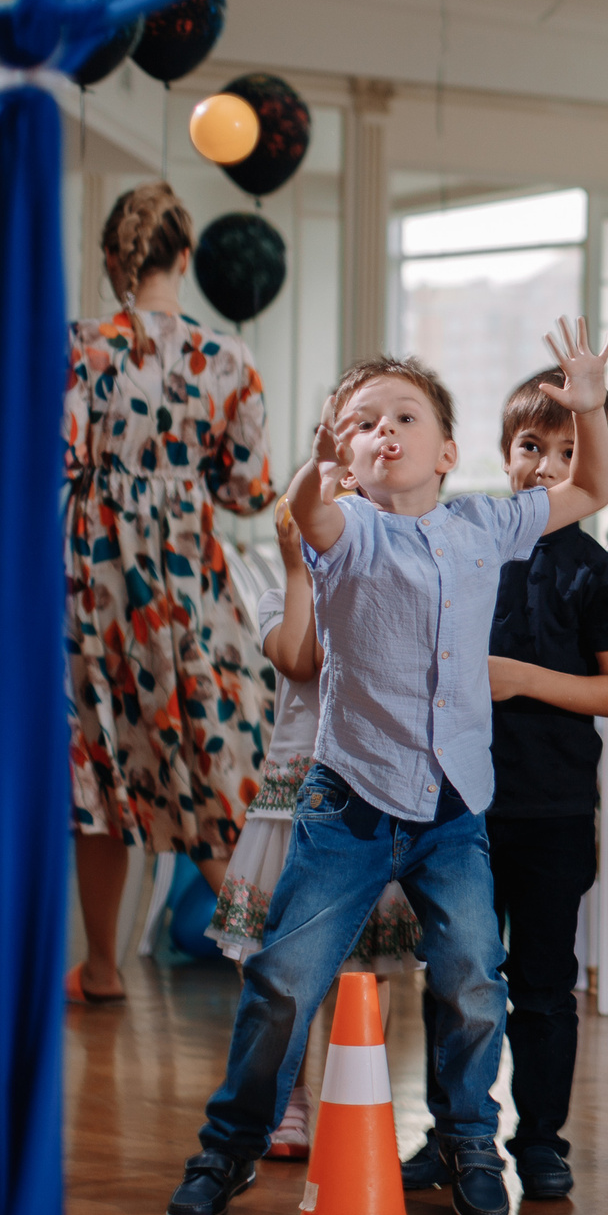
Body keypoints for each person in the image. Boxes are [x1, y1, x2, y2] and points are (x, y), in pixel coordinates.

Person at [164, 327, 608, 1215]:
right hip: (351, 805)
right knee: (285, 978)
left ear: (447, 450)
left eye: (404, 416)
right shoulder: (351, 531)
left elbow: (595, 487)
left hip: (455, 811)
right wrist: (314, 470)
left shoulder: (487, 523)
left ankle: (468, 1139)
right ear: (348, 453)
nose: (384, 432)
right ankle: (230, 1146)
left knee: (471, 979)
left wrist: (589, 403)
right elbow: (310, 516)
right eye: (361, 424)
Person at [402, 366, 608, 1201]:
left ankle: (541, 1142)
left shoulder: (599, 572)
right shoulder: (460, 546)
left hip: (556, 811)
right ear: (502, 452)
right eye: (531, 446)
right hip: (461, 807)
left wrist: (523, 679)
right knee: (458, 975)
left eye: (569, 450)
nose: (545, 465)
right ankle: (453, 1135)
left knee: (543, 985)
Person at [64, 182, 273, 1006]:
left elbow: (63, 456)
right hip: (189, 582)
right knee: (209, 762)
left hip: (100, 582)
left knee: (104, 763)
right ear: (184, 258)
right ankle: (269, 960)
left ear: (114, 260)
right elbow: (248, 490)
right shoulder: (230, 361)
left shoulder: (80, 347)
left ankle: (106, 966)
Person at [207, 489, 425, 1163]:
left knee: (369, 965)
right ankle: (289, 1096)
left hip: (369, 795)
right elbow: (301, 658)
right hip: (295, 793)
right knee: (277, 962)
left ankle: (352, 1096)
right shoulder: (284, 591)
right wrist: (300, 570)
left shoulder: (401, 586)